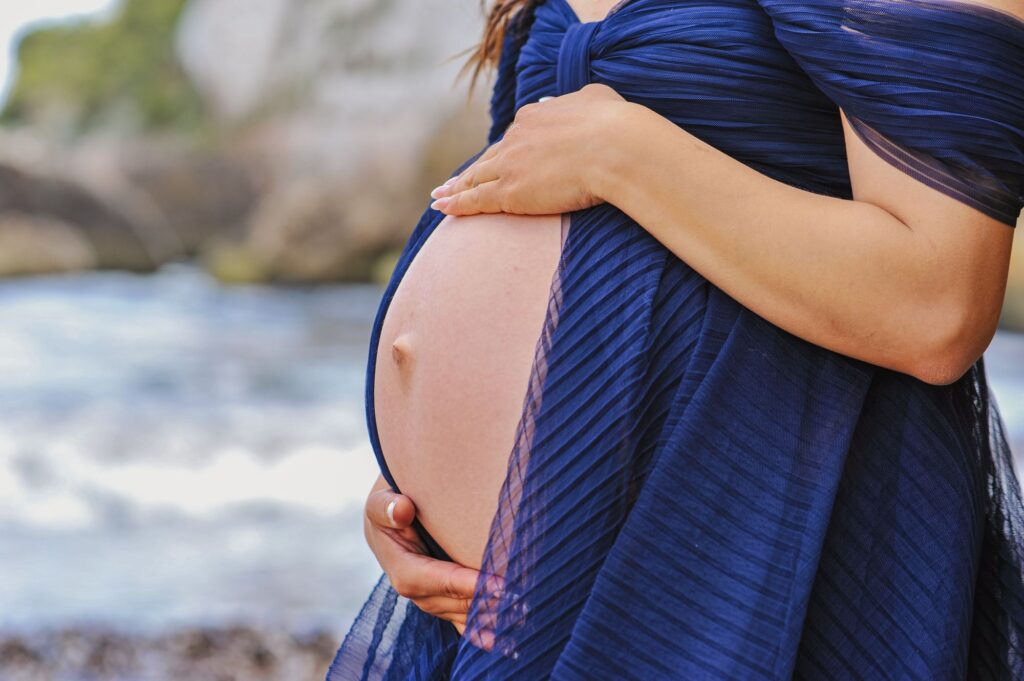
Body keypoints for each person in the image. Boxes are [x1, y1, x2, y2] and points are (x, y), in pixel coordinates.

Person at [329, 0, 1024, 678]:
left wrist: (623, 155)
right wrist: (422, 494)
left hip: (740, 532)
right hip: (506, 578)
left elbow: (939, 301)